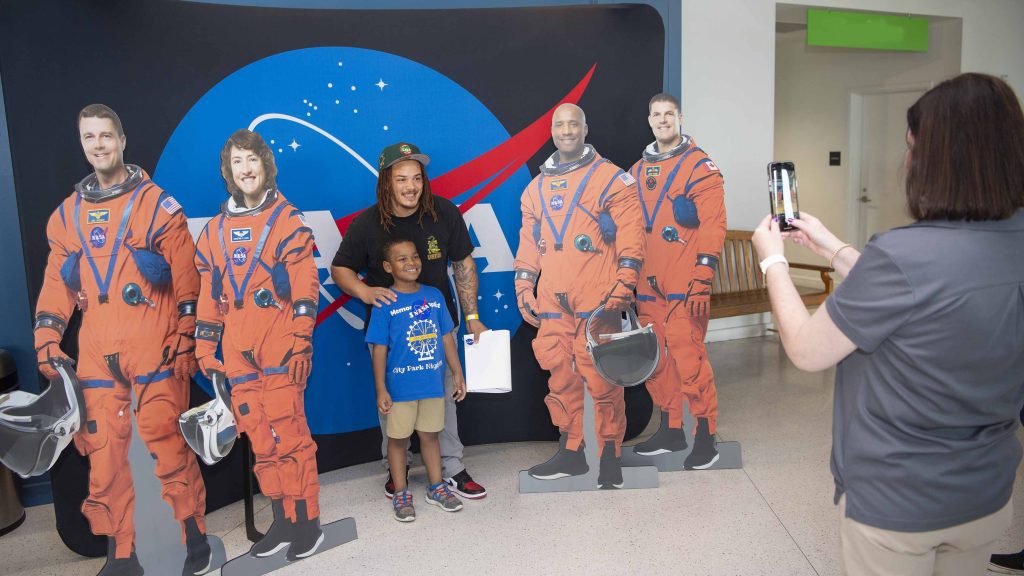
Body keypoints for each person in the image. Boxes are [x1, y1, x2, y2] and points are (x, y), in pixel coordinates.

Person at [751, 73, 1024, 576]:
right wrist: (833, 248)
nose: (906, 160)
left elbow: (808, 350)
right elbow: (933, 295)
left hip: (901, 504)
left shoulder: (902, 255)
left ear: (937, 158)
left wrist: (774, 263)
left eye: (911, 146)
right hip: (987, 493)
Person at [33, 104, 212, 576]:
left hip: (152, 340)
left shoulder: (157, 204)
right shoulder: (67, 216)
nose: (98, 144)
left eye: (106, 135)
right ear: (82, 144)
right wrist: (48, 336)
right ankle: (123, 553)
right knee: (105, 455)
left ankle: (190, 541)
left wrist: (186, 334)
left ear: (123, 139)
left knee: (165, 441)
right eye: (89, 137)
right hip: (96, 348)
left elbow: (186, 273)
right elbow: (57, 283)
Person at [331, 142, 487, 500]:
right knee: (392, 406)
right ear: (386, 181)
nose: (410, 186)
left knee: (444, 399)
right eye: (401, 179)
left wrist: (473, 316)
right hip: (389, 339)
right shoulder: (367, 223)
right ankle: (395, 469)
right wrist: (365, 292)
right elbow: (340, 268)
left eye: (416, 178)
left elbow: (463, 264)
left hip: (437, 331)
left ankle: (453, 468)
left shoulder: (444, 213)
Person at [193, 129, 323, 561]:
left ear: (266, 165)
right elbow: (210, 296)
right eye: (237, 163)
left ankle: (307, 523)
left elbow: (306, 286)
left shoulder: (287, 221)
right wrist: (206, 352)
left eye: (252, 160)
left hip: (280, 343)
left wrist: (302, 340)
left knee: (288, 433)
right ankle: (283, 521)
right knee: (260, 439)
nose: (246, 170)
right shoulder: (213, 231)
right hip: (238, 350)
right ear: (228, 172)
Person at [514, 103, 645, 489]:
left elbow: (632, 236)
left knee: (601, 380)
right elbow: (529, 242)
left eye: (574, 123)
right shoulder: (535, 188)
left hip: (597, 297)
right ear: (551, 131)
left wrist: (625, 280)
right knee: (561, 377)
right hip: (553, 300)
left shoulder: (612, 180)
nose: (567, 130)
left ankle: (609, 457)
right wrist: (524, 284)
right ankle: (572, 451)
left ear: (585, 128)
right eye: (559, 124)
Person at [627, 93, 726, 468]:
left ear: (680, 118)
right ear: (649, 119)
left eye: (669, 114)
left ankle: (705, 434)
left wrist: (703, 276)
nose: (663, 120)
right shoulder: (637, 170)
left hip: (685, 278)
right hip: (648, 279)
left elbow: (715, 224)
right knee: (657, 357)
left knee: (688, 354)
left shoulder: (701, 167)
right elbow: (628, 220)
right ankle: (672, 427)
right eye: (657, 114)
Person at [366, 237, 468, 522]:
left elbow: (446, 336)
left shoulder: (434, 296)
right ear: (388, 266)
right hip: (399, 390)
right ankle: (400, 492)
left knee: (430, 436)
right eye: (402, 259)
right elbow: (379, 349)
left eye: (414, 257)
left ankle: (436, 487)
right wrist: (380, 388)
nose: (411, 263)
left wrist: (457, 371)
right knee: (397, 441)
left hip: (431, 385)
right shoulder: (384, 302)